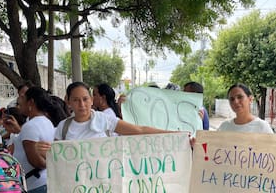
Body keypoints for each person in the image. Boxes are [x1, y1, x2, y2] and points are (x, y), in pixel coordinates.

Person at [36, 82, 178, 153]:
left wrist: (177, 135)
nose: (82, 104)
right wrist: (43, 150)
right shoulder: (63, 127)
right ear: (68, 102)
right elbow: (55, 157)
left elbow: (139, 130)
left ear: (91, 100)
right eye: (76, 100)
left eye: (85, 99)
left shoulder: (105, 120)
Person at [218, 83, 276, 148]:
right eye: (231, 99)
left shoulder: (262, 127)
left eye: (240, 97)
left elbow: (275, 151)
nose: (235, 102)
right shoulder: (224, 127)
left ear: (250, 99)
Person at [13, 87, 56, 193]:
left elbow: (35, 161)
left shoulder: (30, 126)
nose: (20, 103)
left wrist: (46, 163)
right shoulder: (47, 121)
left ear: (31, 102)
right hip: (43, 182)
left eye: (23, 99)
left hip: (35, 185)